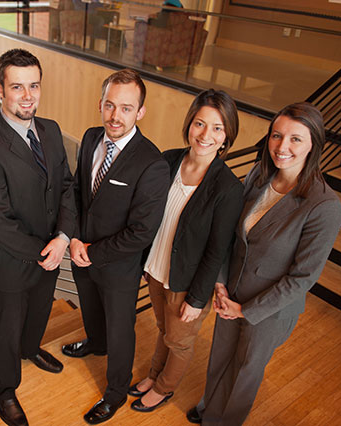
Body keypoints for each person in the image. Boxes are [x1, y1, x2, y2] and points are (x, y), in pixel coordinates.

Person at [187, 102, 341, 425]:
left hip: (269, 309)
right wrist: (220, 282)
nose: (282, 147)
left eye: (295, 139)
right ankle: (208, 407)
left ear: (313, 143)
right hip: (230, 291)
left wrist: (245, 310)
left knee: (245, 370)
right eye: (277, 135)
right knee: (220, 357)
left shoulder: (324, 205)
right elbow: (230, 232)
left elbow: (302, 278)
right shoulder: (259, 174)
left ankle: (221, 421)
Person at [0, 49, 76, 426]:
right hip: (11, 262)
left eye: (34, 85)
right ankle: (4, 387)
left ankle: (32, 350)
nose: (27, 95)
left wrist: (62, 237)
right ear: (0, 90)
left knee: (39, 315)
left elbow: (65, 186)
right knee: (6, 331)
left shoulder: (50, 129)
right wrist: (47, 250)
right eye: (17, 87)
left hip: (49, 251)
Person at [62, 69, 170, 424]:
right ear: (100, 104)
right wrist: (75, 238)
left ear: (140, 112)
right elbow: (78, 192)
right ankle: (95, 342)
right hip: (81, 253)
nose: (115, 116)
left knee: (121, 330)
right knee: (90, 309)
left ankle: (116, 393)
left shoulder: (151, 163)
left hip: (119, 266)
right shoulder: (92, 137)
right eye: (110, 105)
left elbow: (141, 232)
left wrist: (91, 251)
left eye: (126, 108)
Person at [128, 89, 243, 413]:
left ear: (227, 136)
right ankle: (153, 375)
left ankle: (164, 388)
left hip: (186, 281)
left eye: (217, 128)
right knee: (164, 331)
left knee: (179, 341)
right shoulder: (168, 160)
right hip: (156, 268)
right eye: (199, 124)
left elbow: (217, 251)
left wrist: (196, 298)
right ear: (189, 124)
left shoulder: (228, 188)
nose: (206, 135)